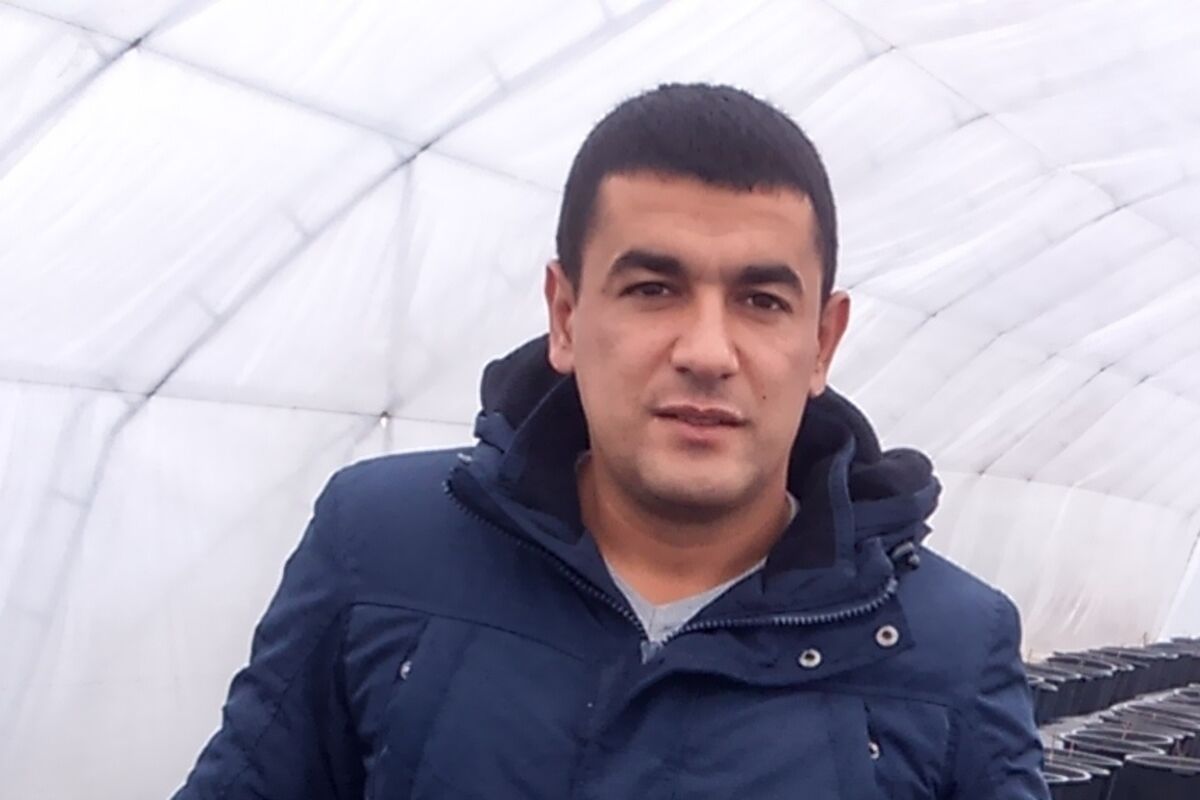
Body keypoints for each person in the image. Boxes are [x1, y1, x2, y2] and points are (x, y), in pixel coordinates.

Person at [174, 83, 1048, 799]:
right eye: (653, 289)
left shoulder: (947, 647)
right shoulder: (383, 545)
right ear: (565, 315)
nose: (707, 352)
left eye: (762, 301)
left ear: (822, 342)